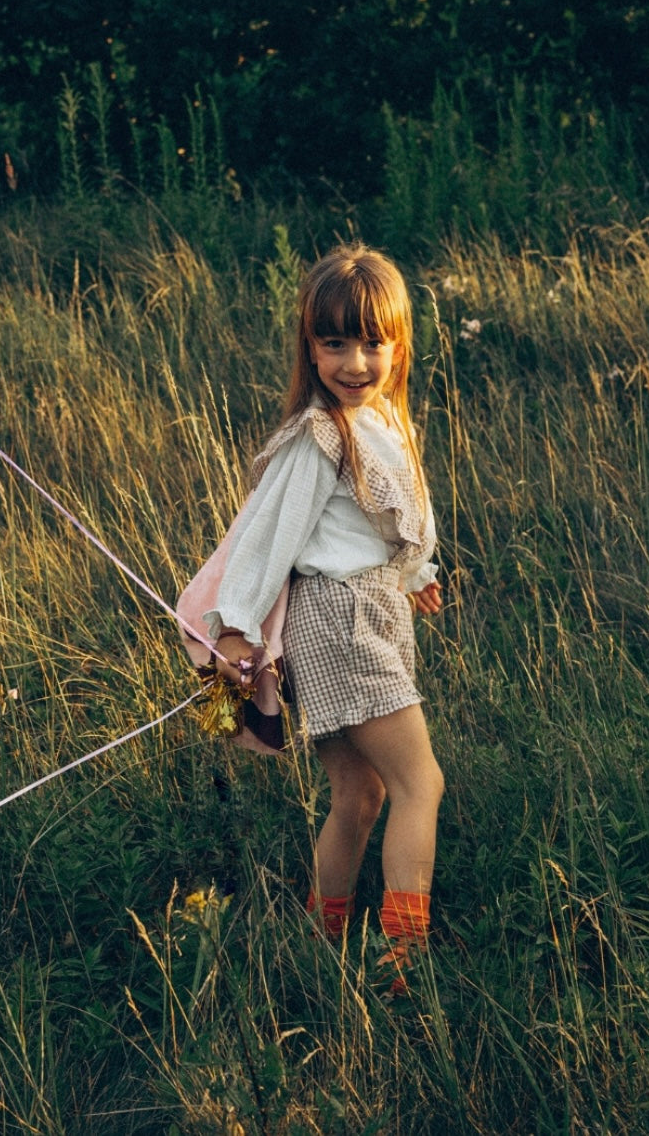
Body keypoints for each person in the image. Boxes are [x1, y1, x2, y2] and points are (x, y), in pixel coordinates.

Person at [182, 243, 444, 994]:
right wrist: (236, 626)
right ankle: (401, 959)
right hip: (342, 621)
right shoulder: (321, 434)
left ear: (399, 345)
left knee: (361, 794)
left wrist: (415, 575)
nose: (354, 362)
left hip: (368, 611)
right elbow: (270, 535)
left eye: (372, 343)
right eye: (334, 344)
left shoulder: (383, 420)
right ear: (310, 347)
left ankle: (320, 934)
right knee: (421, 783)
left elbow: (377, 525)